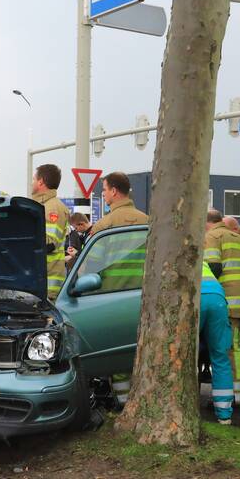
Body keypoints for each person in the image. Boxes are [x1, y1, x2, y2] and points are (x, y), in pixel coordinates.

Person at [0, 163, 69, 300]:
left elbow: (48, 244)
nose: (32, 183)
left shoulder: (53, 208)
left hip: (48, 287)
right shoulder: (41, 205)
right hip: (38, 283)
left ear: (41, 182)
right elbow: (9, 202)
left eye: (33, 179)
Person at [88, 172, 148, 407]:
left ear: (114, 191)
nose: (103, 194)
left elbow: (91, 267)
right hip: (143, 298)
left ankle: (123, 404)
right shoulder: (147, 220)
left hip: (112, 300)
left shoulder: (105, 224)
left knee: (117, 354)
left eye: (104, 190)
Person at [204, 209, 240, 406]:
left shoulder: (213, 236)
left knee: (226, 351)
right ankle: (238, 395)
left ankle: (232, 398)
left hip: (228, 301)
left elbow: (213, 268)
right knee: (236, 349)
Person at [201, 261, 235, 424]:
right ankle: (224, 414)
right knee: (220, 357)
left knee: (183, 354)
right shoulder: (204, 263)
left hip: (195, 296)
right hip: (217, 298)